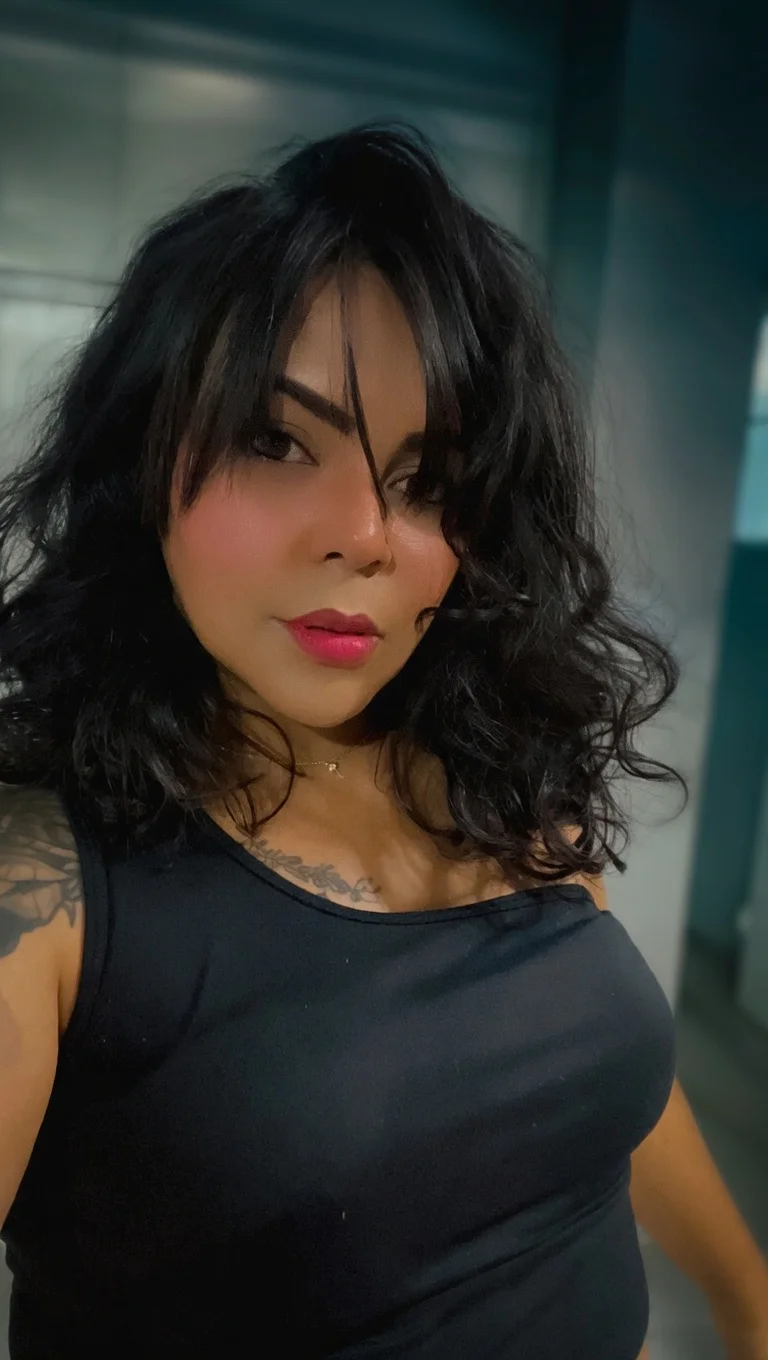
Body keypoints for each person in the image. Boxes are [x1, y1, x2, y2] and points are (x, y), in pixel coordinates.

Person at [0, 125, 765, 1360]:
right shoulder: (44, 888)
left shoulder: (506, 785)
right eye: (275, 439)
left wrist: (747, 1293)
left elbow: (592, 1077)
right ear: (142, 463)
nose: (363, 533)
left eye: (425, 479)